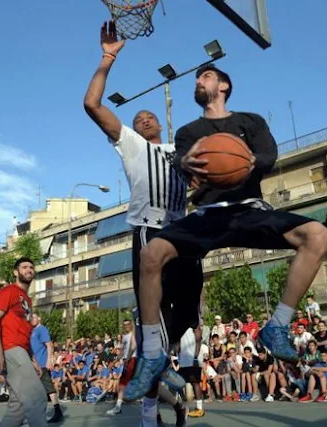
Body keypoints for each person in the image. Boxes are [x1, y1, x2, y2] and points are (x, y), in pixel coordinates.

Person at [126, 62, 327, 399]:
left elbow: (269, 154)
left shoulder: (250, 122)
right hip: (207, 215)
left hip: (249, 209)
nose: (198, 81)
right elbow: (180, 160)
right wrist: (184, 163)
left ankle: (277, 325)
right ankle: (150, 353)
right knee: (151, 254)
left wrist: (252, 162)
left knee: (317, 235)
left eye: (205, 76)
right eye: (197, 78)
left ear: (224, 85)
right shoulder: (189, 131)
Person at [83, 21, 196, 427]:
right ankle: (151, 415)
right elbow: (93, 104)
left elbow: (204, 183)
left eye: (150, 116)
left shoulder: (180, 151)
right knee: (150, 334)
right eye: (140, 117)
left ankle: (168, 375)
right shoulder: (130, 144)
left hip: (182, 233)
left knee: (186, 318)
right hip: (151, 230)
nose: (146, 119)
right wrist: (107, 58)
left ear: (161, 125)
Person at [0, 257, 47, 427]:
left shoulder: (27, 300)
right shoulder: (9, 291)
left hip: (21, 350)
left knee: (18, 408)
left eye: (31, 267)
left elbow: (26, 331)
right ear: (16, 272)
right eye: (24, 267)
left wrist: (32, 359)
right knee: (36, 397)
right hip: (10, 348)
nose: (29, 270)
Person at [30, 313, 64, 423]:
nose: (32, 320)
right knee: (37, 390)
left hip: (42, 364)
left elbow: (49, 345)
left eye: (34, 317)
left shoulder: (42, 329)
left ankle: (58, 412)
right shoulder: (32, 331)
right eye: (31, 318)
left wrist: (49, 360)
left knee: (48, 388)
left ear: (39, 318)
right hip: (35, 365)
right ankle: (39, 413)